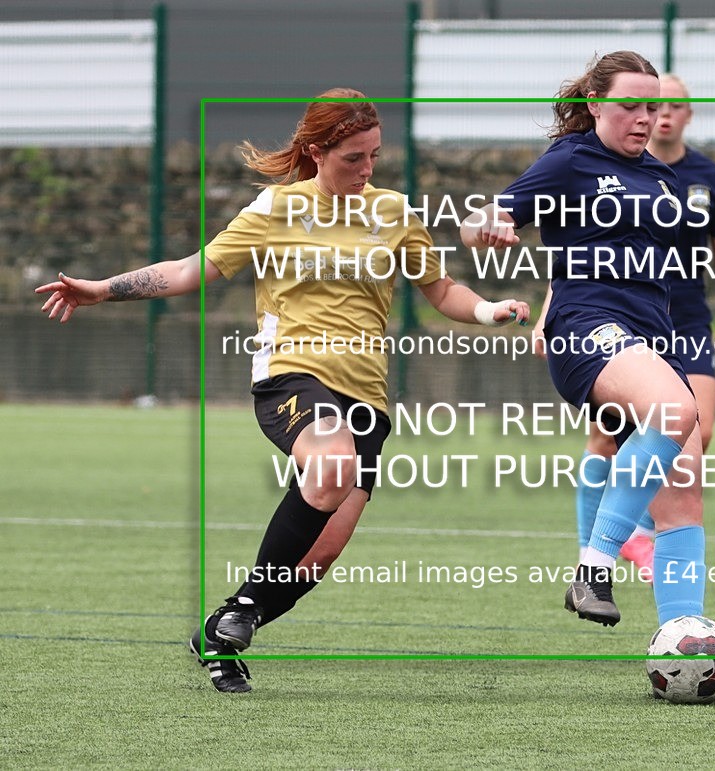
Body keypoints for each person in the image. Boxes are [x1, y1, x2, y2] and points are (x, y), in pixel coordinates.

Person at [36, 88, 529, 694]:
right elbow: (190, 270)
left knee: (315, 558)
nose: (367, 169)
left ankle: (222, 627)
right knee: (329, 466)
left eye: (374, 155)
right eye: (353, 157)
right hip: (292, 375)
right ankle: (239, 614)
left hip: (367, 399)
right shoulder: (276, 209)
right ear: (316, 152)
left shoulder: (395, 213)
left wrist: (488, 312)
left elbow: (441, 290)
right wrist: (102, 289)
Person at [461, 52, 715, 701]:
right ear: (594, 103)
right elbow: (486, 219)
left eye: (652, 106)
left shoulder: (665, 182)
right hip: (590, 330)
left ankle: (684, 650)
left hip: (653, 338)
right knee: (677, 413)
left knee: (685, 486)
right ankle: (593, 564)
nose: (645, 118)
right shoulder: (570, 161)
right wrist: (491, 227)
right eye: (630, 106)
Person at [550, 73, 715, 577]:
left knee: (698, 431)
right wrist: (549, 315)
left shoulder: (706, 176)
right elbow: (575, 254)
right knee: (608, 437)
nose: (659, 115)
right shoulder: (595, 168)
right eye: (648, 105)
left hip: (684, 319)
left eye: (671, 106)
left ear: (689, 114)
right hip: (617, 323)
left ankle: (639, 534)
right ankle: (596, 552)